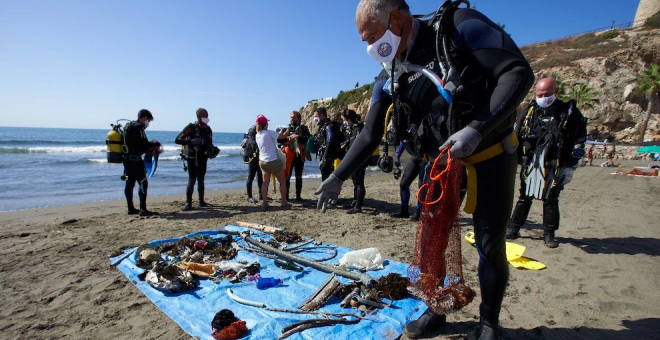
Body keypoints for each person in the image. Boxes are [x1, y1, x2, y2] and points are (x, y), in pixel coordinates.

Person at [314, 1, 535, 338]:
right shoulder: (389, 71)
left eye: (371, 36)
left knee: (490, 244)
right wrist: (337, 176)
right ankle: (435, 309)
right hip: (441, 165)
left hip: (490, 152)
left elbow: (517, 72)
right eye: (364, 40)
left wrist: (476, 129)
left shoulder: (459, 28)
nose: (369, 46)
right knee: (432, 243)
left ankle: (489, 323)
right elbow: (371, 133)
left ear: (398, 20)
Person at [506, 77, 588, 248]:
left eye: (547, 94)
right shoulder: (530, 112)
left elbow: (579, 141)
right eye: (540, 94)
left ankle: (549, 234)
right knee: (525, 195)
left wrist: (570, 167)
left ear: (556, 92)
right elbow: (516, 137)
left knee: (550, 198)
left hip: (555, 163)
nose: (543, 97)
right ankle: (514, 228)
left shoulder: (569, 113)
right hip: (531, 162)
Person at [175, 108, 218, 211]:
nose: (207, 118)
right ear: (199, 116)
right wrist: (190, 142)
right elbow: (177, 140)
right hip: (192, 158)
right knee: (192, 179)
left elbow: (209, 142)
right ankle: (188, 203)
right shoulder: (191, 128)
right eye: (205, 116)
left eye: (208, 116)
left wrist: (213, 149)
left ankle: (201, 201)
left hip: (203, 157)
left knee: (201, 180)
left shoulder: (208, 129)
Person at [122, 109, 160, 217]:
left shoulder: (128, 126)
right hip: (135, 160)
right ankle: (143, 209)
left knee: (129, 183)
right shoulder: (138, 127)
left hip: (126, 159)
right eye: (148, 121)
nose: (148, 123)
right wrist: (154, 144)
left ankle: (130, 208)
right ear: (144, 118)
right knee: (143, 182)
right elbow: (145, 144)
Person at [255, 115, 297, 209]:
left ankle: (264, 202)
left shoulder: (257, 134)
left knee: (265, 183)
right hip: (273, 160)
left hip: (262, 161)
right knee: (282, 181)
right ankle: (283, 201)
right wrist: (288, 129)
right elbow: (283, 136)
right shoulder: (269, 133)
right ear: (265, 123)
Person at [341, 109, 369, 214]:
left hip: (358, 160)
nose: (344, 121)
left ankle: (358, 206)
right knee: (355, 182)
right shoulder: (354, 128)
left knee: (359, 183)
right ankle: (355, 202)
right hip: (354, 160)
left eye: (344, 119)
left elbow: (358, 146)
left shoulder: (358, 128)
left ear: (348, 119)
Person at [391, 141, 426, 220]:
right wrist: (397, 156)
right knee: (403, 184)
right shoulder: (409, 129)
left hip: (425, 158)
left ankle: (419, 212)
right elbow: (404, 139)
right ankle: (404, 211)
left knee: (422, 187)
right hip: (414, 157)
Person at [285, 111, 312, 202]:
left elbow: (308, 138)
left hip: (299, 156)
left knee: (299, 176)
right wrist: (288, 138)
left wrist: (297, 136)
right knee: (287, 176)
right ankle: (286, 196)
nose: (291, 119)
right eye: (291, 117)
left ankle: (298, 196)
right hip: (289, 155)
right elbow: (280, 139)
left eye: (294, 117)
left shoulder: (303, 128)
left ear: (299, 118)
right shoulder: (287, 128)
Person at [312, 107, 342, 181]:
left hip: (329, 158)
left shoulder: (329, 126)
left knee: (327, 178)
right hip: (324, 156)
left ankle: (329, 192)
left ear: (322, 115)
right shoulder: (322, 127)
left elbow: (330, 141)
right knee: (324, 178)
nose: (314, 119)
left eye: (316, 116)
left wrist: (325, 158)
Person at [243, 122, 264, 204]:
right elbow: (252, 143)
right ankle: (249, 196)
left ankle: (261, 194)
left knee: (260, 175)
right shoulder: (252, 130)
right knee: (251, 175)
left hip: (259, 155)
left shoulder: (263, 130)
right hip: (251, 155)